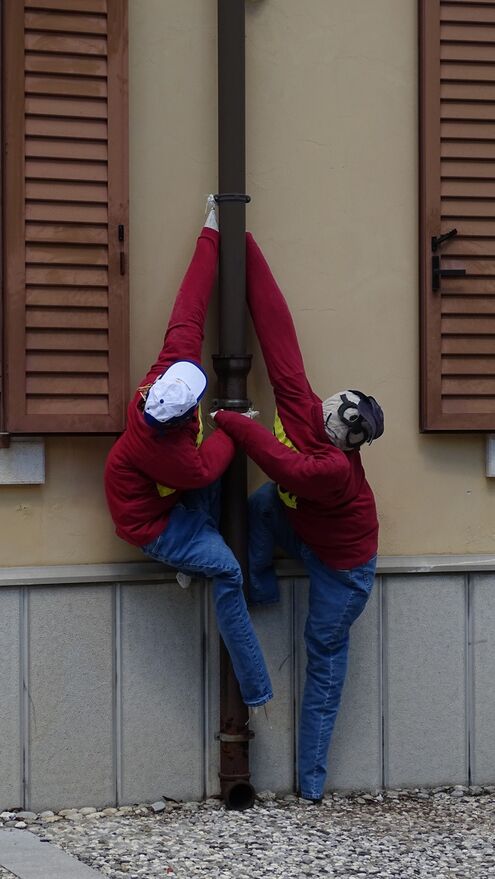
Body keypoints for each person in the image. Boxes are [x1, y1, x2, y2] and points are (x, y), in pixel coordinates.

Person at [212, 232, 383, 801]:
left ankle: (311, 783)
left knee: (323, 659)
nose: (322, 408)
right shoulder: (305, 407)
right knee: (262, 507)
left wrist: (230, 419)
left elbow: (277, 461)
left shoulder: (332, 468)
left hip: (343, 569)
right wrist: (242, 241)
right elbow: (279, 333)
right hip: (301, 527)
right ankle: (262, 591)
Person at [104, 200, 272, 710]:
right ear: (181, 415)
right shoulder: (172, 453)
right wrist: (232, 419)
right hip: (152, 525)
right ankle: (258, 688)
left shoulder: (164, 373)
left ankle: (194, 554)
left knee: (207, 492)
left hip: (171, 493)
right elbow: (211, 461)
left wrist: (210, 230)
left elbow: (190, 307)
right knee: (227, 571)